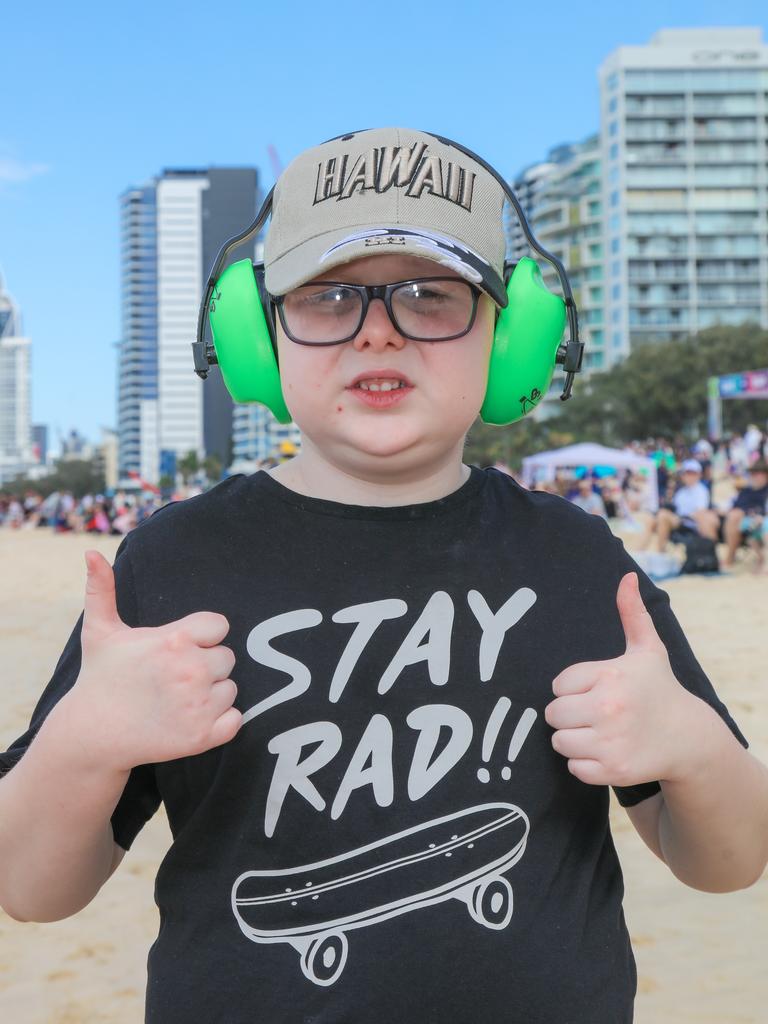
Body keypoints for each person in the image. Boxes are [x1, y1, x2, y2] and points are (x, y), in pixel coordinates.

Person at [1, 128, 767, 1024]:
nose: (377, 331)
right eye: (328, 298)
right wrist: (84, 742)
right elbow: (34, 889)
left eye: (431, 296)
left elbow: (729, 860)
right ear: (256, 335)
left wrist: (692, 744)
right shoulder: (174, 562)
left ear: (512, 339)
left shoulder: (577, 558)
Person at [639, 459, 719, 553]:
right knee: (652, 519)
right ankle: (640, 550)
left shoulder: (701, 491)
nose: (689, 476)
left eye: (692, 473)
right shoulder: (681, 492)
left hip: (689, 523)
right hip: (678, 519)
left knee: (663, 516)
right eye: (687, 473)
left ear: (699, 475)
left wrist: (679, 517)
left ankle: (660, 552)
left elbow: (700, 512)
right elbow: (673, 507)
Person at [722, 460, 768, 568]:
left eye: (758, 473)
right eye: (753, 473)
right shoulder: (746, 491)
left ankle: (731, 557)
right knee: (735, 516)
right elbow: (734, 506)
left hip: (760, 521)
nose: (755, 476)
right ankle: (730, 557)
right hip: (745, 522)